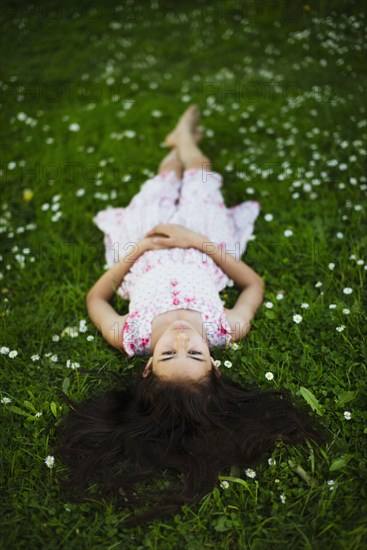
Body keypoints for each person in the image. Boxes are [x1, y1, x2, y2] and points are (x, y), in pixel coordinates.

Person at [55, 106, 326, 527]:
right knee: (199, 173)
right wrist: (198, 241)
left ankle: (173, 150)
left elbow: (97, 298)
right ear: (215, 365)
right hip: (204, 240)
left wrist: (137, 253)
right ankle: (185, 140)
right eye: (195, 355)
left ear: (146, 367)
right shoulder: (226, 329)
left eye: (168, 356)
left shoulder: (130, 335)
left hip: (145, 244)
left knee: (162, 184)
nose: (182, 338)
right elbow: (252, 286)